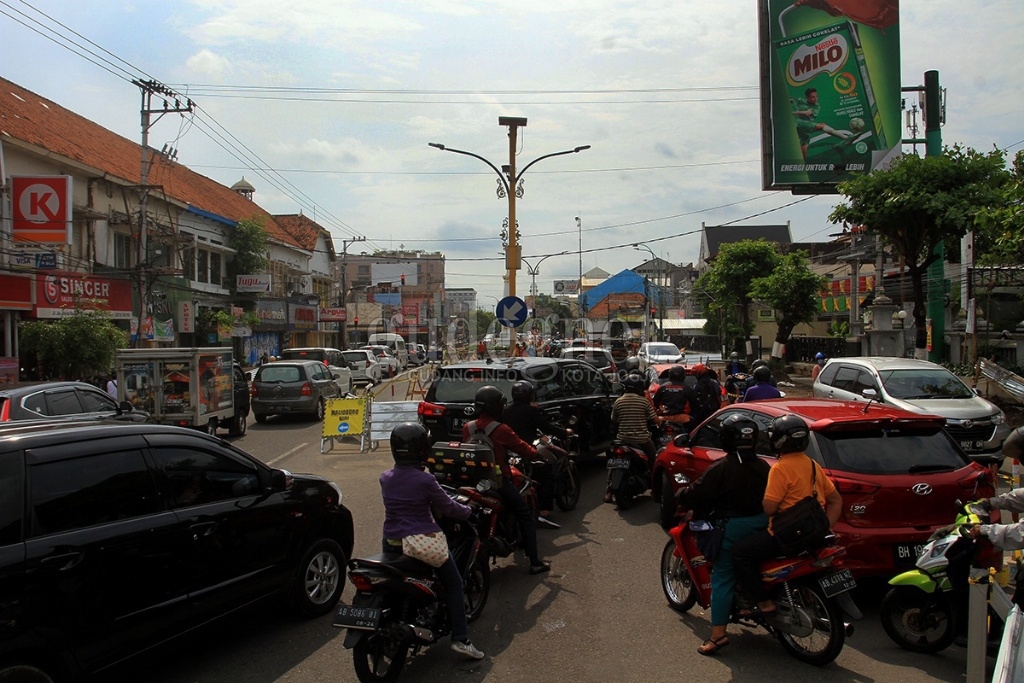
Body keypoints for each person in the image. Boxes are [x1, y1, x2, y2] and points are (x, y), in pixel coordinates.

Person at [380, 423, 485, 660]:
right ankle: (461, 639)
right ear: (422, 449)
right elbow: (448, 507)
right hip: (421, 544)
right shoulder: (425, 481)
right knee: (455, 585)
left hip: (392, 542)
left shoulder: (385, 478)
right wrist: (469, 512)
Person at [677, 414, 771, 656]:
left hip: (733, 528)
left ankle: (718, 635)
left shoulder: (721, 467)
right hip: (764, 525)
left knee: (722, 576)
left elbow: (698, 493)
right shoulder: (764, 466)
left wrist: (681, 496)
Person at [732, 415, 843, 617]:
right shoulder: (812, 465)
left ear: (778, 441)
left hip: (786, 536)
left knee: (740, 552)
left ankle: (763, 602)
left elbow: (769, 509)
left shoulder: (780, 469)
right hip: (813, 534)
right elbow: (836, 501)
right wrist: (826, 525)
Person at [463, 386, 551, 575]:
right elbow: (522, 448)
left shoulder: (468, 427)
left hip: (472, 481)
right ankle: (535, 562)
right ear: (497, 406)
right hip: (499, 482)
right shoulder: (501, 429)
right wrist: (537, 454)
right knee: (525, 515)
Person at [502, 380, 572, 529]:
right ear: (530, 395)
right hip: (526, 451)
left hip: (508, 453)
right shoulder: (532, 411)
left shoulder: (505, 410)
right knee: (546, 474)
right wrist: (564, 432)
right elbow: (547, 427)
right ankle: (545, 511)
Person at [607, 373, 663, 503]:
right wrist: (660, 419)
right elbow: (654, 420)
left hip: (622, 439)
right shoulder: (643, 402)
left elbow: (613, 420)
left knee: (612, 464)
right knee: (655, 460)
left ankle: (608, 492)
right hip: (641, 440)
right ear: (639, 388)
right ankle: (656, 489)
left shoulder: (618, 401)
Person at [791, 87, 852, 160]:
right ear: (807, 98)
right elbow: (790, 101)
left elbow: (807, 113)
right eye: (813, 97)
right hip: (799, 123)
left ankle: (802, 163)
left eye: (816, 96)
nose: (815, 99)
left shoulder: (817, 106)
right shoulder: (800, 101)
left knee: (804, 143)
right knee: (822, 126)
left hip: (804, 126)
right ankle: (846, 138)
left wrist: (793, 113)